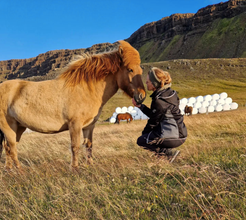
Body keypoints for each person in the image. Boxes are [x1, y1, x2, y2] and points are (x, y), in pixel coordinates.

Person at [132, 67, 187, 162]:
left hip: (172, 136)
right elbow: (156, 114)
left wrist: (144, 135)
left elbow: (153, 121)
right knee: (148, 137)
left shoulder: (159, 100)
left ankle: (169, 154)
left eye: (148, 81)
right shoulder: (169, 94)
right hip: (181, 135)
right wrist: (141, 106)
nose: (146, 83)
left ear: (154, 84)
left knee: (141, 140)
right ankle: (166, 155)